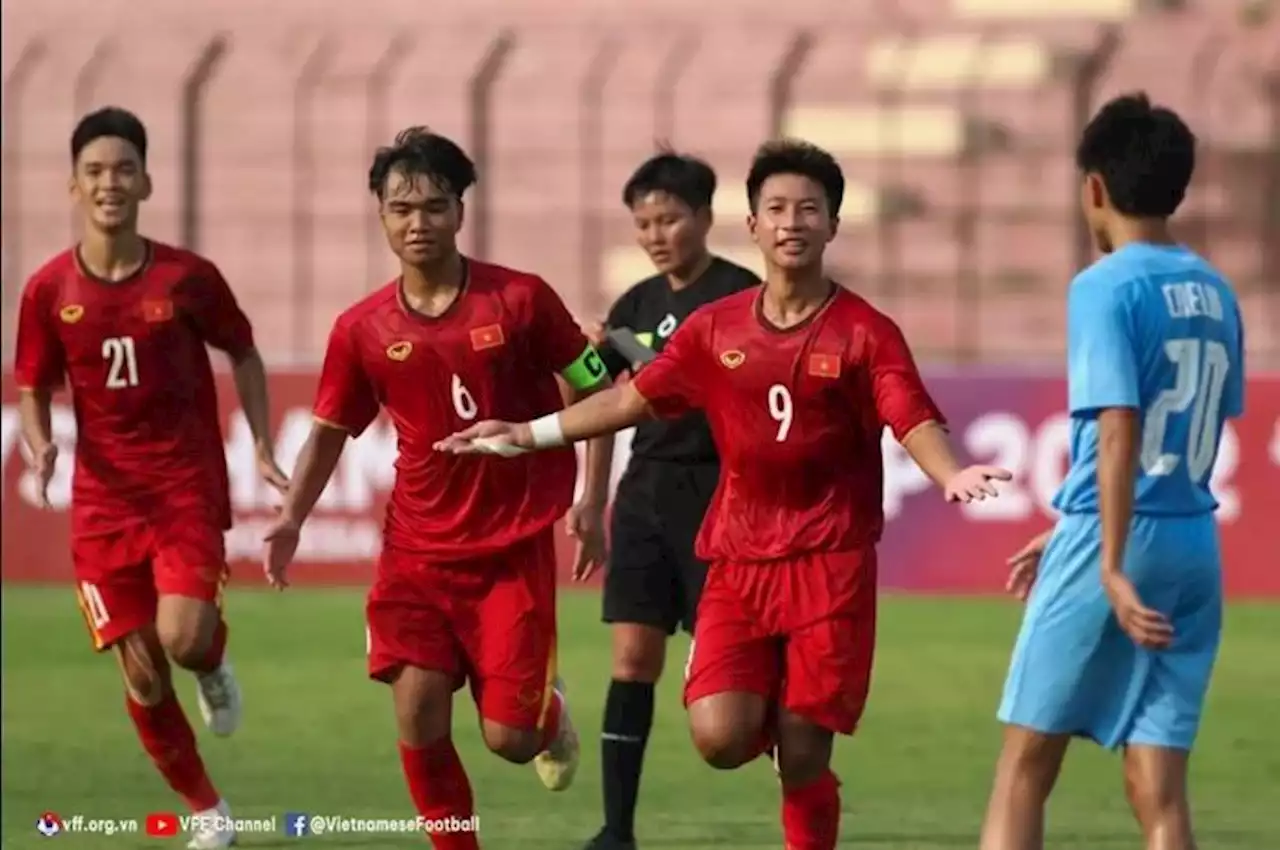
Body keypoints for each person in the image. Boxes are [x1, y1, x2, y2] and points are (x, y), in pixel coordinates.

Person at [437, 139, 1011, 850]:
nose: (792, 221)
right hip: (738, 559)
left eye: (809, 209)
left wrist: (949, 472)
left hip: (829, 563)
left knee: (802, 755)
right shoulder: (715, 327)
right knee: (719, 738)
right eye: (776, 208)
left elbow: (909, 412)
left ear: (832, 225)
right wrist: (528, 433)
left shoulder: (866, 332)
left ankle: (807, 777)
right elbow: (629, 399)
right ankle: (758, 706)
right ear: (753, 224)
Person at [261, 127, 615, 850]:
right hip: (416, 553)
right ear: (382, 216)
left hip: (510, 549)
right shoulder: (361, 329)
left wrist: (591, 499)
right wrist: (293, 516)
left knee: (510, 738)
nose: (416, 222)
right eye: (401, 208)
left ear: (460, 211)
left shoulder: (519, 300)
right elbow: (331, 430)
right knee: (418, 714)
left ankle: (548, 716)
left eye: (433, 205)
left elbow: (599, 389)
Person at [13, 107, 287, 850]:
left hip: (183, 489)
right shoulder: (46, 291)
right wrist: (39, 444)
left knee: (184, 638)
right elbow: (32, 384)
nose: (111, 183)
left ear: (147, 181)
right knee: (140, 674)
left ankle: (213, 659)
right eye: (96, 171)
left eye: (124, 169)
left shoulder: (186, 278)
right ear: (73, 185)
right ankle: (207, 811)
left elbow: (247, 352)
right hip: (102, 504)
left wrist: (262, 443)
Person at [980, 93, 1244, 850]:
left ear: (1093, 187)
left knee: (1025, 765)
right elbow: (1203, 425)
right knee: (1158, 786)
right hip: (1195, 542)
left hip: (1117, 539)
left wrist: (1107, 556)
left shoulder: (1103, 286)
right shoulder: (1216, 292)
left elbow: (1122, 421)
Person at [582, 152, 759, 850]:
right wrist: (589, 501)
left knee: (734, 679)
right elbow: (604, 401)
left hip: (720, 499)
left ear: (705, 218)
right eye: (644, 223)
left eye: (669, 218)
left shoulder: (741, 296)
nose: (656, 234)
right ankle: (616, 830)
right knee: (631, 661)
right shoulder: (634, 306)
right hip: (645, 500)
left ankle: (802, 804)